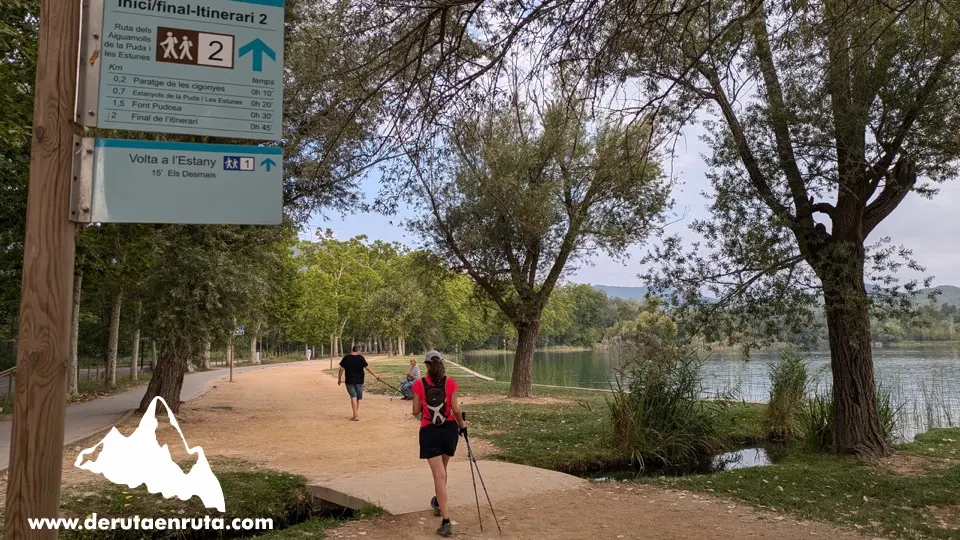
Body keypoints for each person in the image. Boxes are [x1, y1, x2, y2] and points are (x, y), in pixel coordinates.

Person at [411, 350, 467, 537]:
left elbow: (416, 411)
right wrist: (462, 424)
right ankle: (438, 502)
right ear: (442, 363)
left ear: (426, 365)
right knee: (442, 472)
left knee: (439, 475)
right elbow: (456, 408)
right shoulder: (450, 382)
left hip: (429, 431)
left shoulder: (420, 384)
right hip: (449, 430)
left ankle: (446, 520)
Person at [337, 345, 383, 421]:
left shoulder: (346, 357)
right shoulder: (360, 358)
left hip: (349, 381)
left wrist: (339, 379)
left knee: (353, 397)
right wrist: (376, 376)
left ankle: (355, 414)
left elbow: (341, 369)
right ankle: (355, 414)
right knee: (356, 397)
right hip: (359, 381)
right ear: (359, 350)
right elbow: (367, 368)